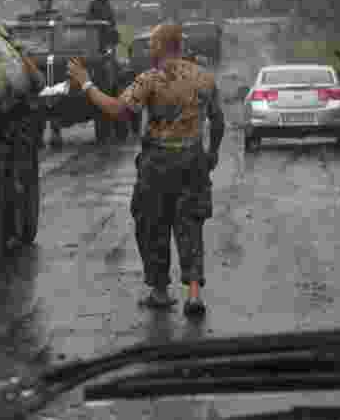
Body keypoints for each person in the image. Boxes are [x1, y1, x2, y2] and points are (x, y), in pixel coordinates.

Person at [66, 23, 225, 318]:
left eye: (152, 44)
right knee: (191, 225)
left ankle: (160, 291)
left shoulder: (150, 79)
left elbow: (117, 110)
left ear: (162, 46)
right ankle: (194, 294)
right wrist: (212, 153)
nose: (150, 49)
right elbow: (218, 121)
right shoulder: (204, 78)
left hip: (157, 164)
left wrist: (86, 84)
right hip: (193, 161)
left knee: (153, 225)